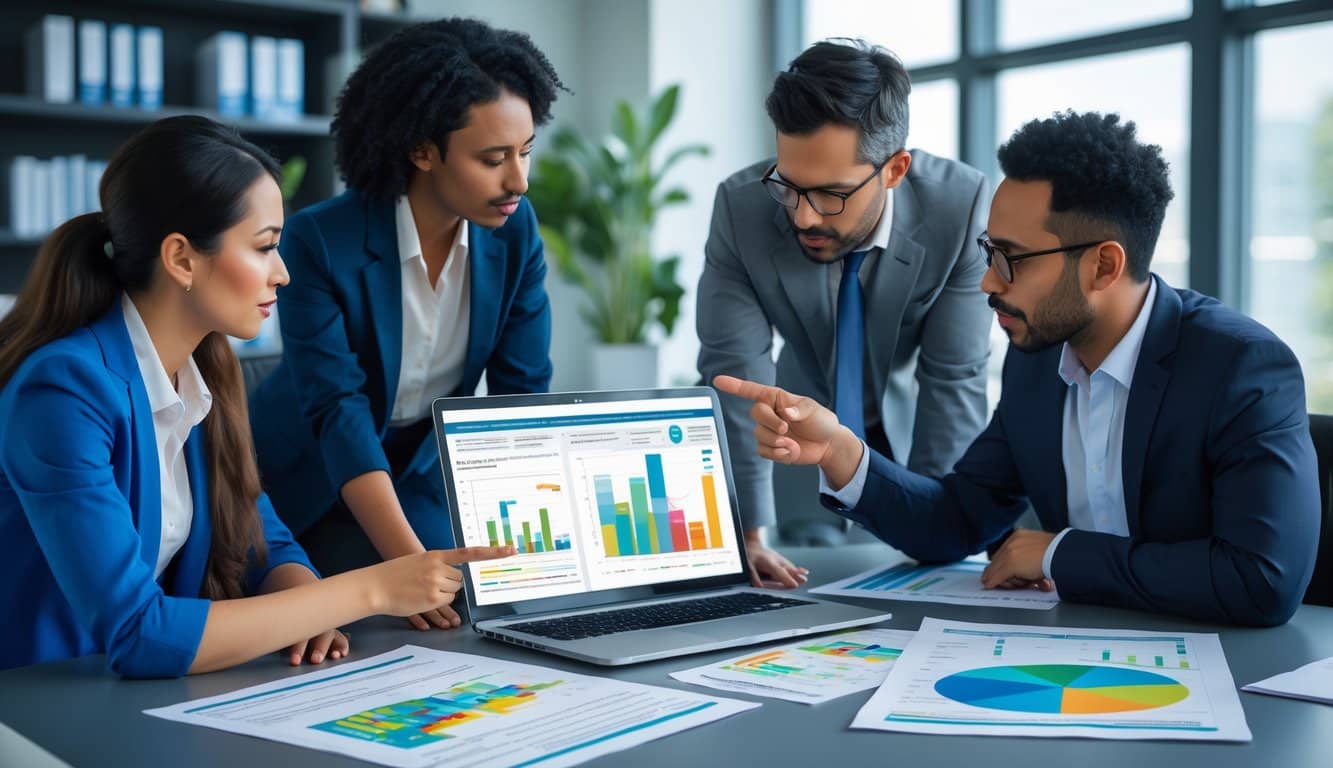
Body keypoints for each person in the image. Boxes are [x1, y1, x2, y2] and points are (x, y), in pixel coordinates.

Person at [714, 110, 1320, 626]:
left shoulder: (1241, 367)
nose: (987, 282)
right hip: (1075, 660)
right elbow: (954, 523)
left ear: (1104, 267)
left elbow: (1262, 581)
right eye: (988, 251)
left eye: (1011, 259)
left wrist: (1060, 555)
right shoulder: (1037, 364)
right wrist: (839, 452)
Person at [0, 116, 513, 677]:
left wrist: (304, 600)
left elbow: (262, 541)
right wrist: (368, 591)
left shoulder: (202, 373)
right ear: (181, 259)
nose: (283, 274)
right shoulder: (63, 392)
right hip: (42, 702)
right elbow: (136, 632)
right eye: (265, 247)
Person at [247, 18, 564, 631]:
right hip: (306, 474)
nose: (518, 182)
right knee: (370, 611)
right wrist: (406, 563)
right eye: (493, 159)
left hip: (417, 470)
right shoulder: (319, 239)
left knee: (480, 601)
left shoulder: (515, 233)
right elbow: (338, 409)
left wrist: (542, 552)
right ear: (421, 150)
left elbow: (520, 398)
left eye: (525, 153)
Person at [696, 39, 991, 589]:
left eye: (831, 194)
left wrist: (933, 526)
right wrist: (747, 531)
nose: (803, 216)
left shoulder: (961, 207)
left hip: (909, 429)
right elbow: (736, 374)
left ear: (895, 169)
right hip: (790, 438)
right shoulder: (742, 209)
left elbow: (954, 380)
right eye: (790, 186)